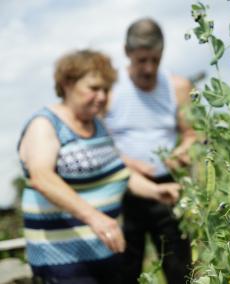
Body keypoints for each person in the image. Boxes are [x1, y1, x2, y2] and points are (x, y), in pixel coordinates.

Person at [17, 49, 181, 284]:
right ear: (67, 84)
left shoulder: (98, 125)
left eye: (106, 89)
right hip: (63, 264)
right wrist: (95, 217)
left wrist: (156, 191)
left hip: (106, 258)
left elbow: (118, 173)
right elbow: (41, 178)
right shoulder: (45, 124)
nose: (102, 96)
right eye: (94, 88)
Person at [105, 18, 195, 284]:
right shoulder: (110, 89)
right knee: (125, 268)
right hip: (122, 189)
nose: (149, 68)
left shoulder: (177, 87)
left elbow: (193, 133)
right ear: (127, 52)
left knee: (180, 267)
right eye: (142, 60)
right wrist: (127, 163)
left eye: (155, 60)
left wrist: (184, 151)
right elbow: (99, 144)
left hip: (169, 188)